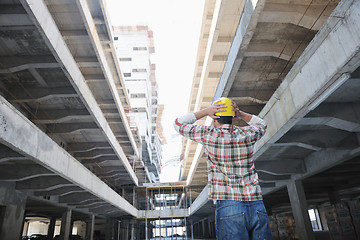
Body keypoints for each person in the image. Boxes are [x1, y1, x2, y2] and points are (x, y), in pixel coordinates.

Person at [174, 97, 272, 240]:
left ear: (214, 119)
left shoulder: (208, 135)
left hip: (229, 205)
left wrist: (205, 111)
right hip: (256, 204)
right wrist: (240, 113)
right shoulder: (247, 134)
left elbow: (178, 123)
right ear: (232, 117)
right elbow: (262, 124)